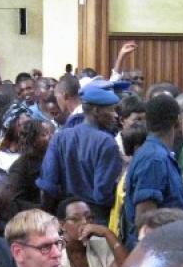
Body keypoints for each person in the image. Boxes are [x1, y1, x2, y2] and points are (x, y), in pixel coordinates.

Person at [37, 80, 123, 224]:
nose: (115, 115)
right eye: (111, 110)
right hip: (96, 219)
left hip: (67, 218)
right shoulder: (107, 142)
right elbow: (102, 194)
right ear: (96, 111)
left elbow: (48, 185)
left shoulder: (60, 137)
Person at [122, 95, 183, 248]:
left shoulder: (158, 154)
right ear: (177, 121)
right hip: (156, 251)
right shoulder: (154, 159)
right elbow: (145, 218)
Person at [6, 119, 52, 213]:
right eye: (44, 134)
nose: (51, 137)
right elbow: (15, 201)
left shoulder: (51, 159)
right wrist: (43, 209)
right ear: (33, 139)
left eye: (51, 133)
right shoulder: (20, 166)